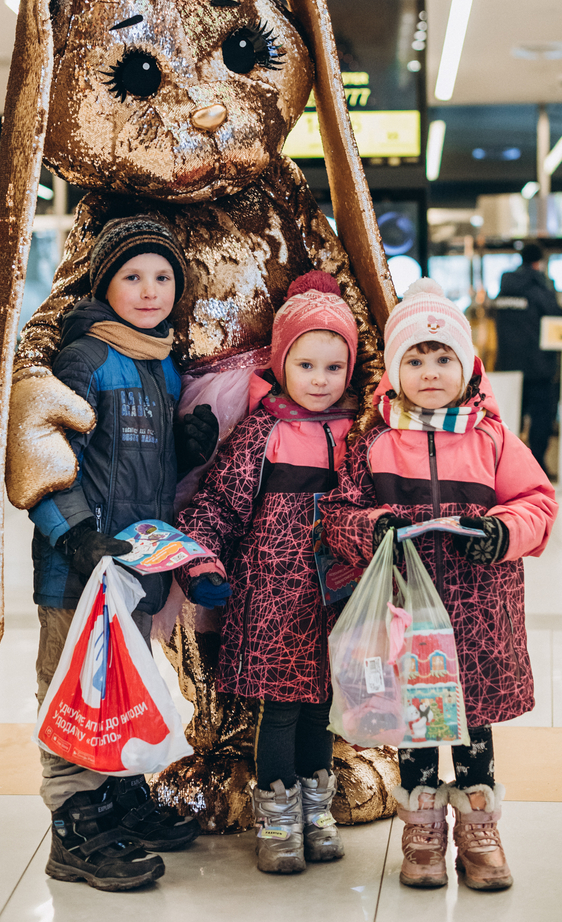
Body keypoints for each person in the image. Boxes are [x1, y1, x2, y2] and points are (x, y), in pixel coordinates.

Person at [321, 277, 557, 892]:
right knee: (415, 725)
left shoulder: (492, 438)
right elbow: (339, 514)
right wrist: (372, 527)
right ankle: (423, 828)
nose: (430, 371)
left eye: (443, 357)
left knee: (472, 723)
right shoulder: (373, 444)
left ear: (468, 366)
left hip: (477, 616)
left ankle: (479, 829)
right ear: (394, 371)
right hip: (405, 619)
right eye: (415, 359)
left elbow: (537, 501)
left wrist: (503, 531)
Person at [24, 215, 219, 892]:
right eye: (132, 276)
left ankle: (118, 794)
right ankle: (74, 823)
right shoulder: (84, 358)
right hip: (78, 566)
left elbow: (138, 466)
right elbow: (45, 456)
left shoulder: (160, 362)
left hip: (132, 569)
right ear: (105, 284)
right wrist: (75, 536)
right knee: (72, 688)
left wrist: (183, 450)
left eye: (162, 276)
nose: (149, 290)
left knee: (121, 685)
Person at [176, 271, 360, 874]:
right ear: (281, 364)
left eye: (333, 367)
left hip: (337, 596)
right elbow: (220, 502)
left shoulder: (358, 432)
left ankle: (316, 810)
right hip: (274, 595)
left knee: (321, 706)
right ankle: (278, 819)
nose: (320, 380)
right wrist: (202, 560)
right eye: (306, 365)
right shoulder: (264, 431)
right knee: (279, 709)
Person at [494, 242, 561, 474]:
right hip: (538, 367)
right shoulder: (539, 289)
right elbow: (557, 316)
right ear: (539, 262)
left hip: (508, 365)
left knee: (510, 418)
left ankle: (508, 468)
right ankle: (537, 466)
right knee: (541, 418)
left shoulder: (504, 289)